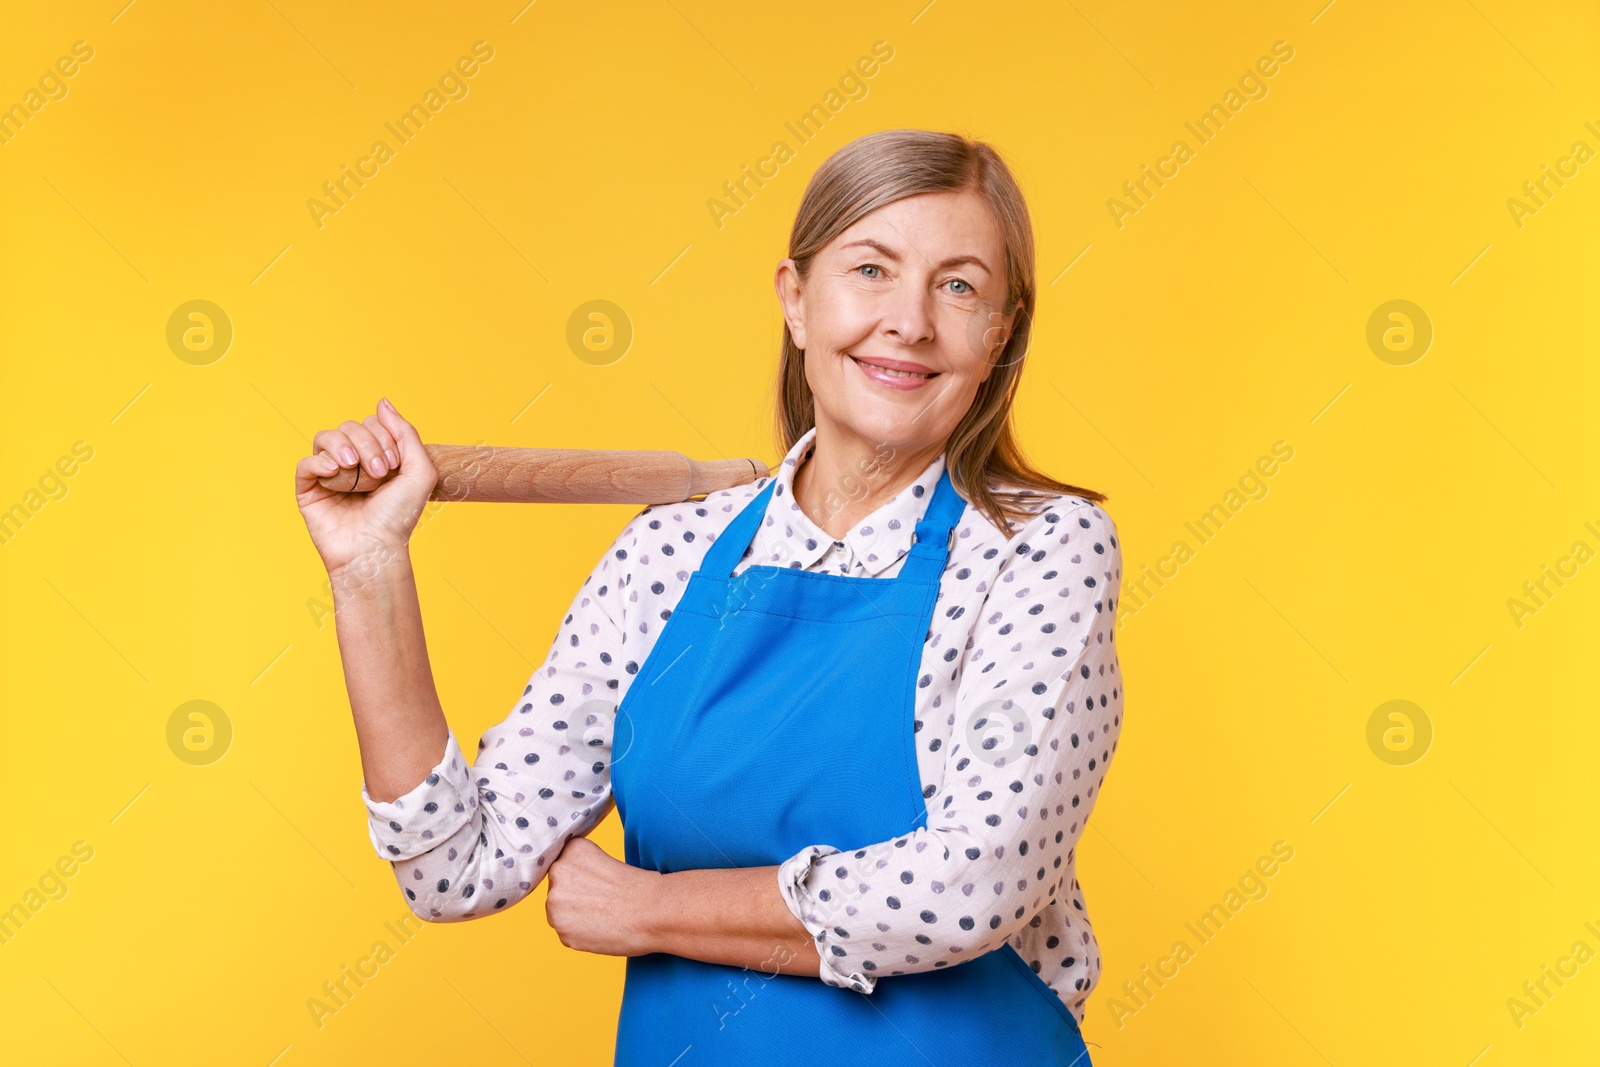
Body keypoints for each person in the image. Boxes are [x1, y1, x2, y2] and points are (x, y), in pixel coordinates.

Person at [295, 128, 1123, 1066]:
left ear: (999, 335)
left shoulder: (1039, 548)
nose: (912, 321)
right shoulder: (672, 547)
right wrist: (369, 574)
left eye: (959, 285)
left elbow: (970, 886)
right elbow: (456, 866)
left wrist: (648, 909)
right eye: (871, 269)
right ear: (796, 300)